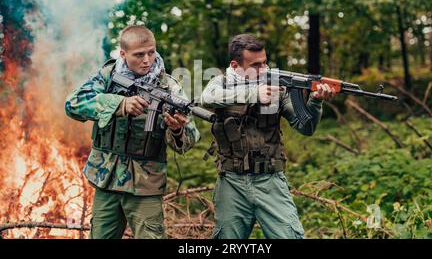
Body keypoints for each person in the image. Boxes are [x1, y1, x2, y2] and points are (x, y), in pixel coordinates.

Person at [65, 25, 200, 239]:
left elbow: (190, 139)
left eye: (151, 52)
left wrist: (177, 129)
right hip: (106, 178)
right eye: (139, 55)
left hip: (146, 184)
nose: (147, 60)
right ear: (123, 54)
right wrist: (119, 104)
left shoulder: (170, 88)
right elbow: (73, 105)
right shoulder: (108, 76)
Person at [200, 34, 336, 239]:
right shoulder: (221, 83)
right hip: (231, 183)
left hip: (270, 180)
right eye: (256, 65)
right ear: (235, 65)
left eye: (265, 62)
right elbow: (206, 98)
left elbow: (305, 127)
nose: (264, 69)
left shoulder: (277, 87)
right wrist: (255, 94)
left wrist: (316, 102)